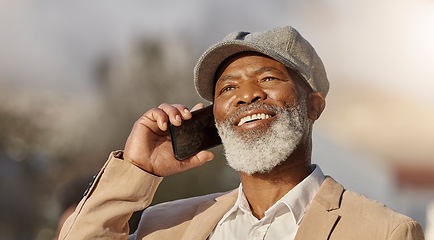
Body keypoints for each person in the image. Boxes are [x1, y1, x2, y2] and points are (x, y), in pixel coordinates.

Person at [58, 26, 425, 239]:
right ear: (215, 119)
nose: (247, 95)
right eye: (227, 89)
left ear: (313, 105)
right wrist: (138, 169)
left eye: (268, 78)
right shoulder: (164, 226)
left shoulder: (384, 232)